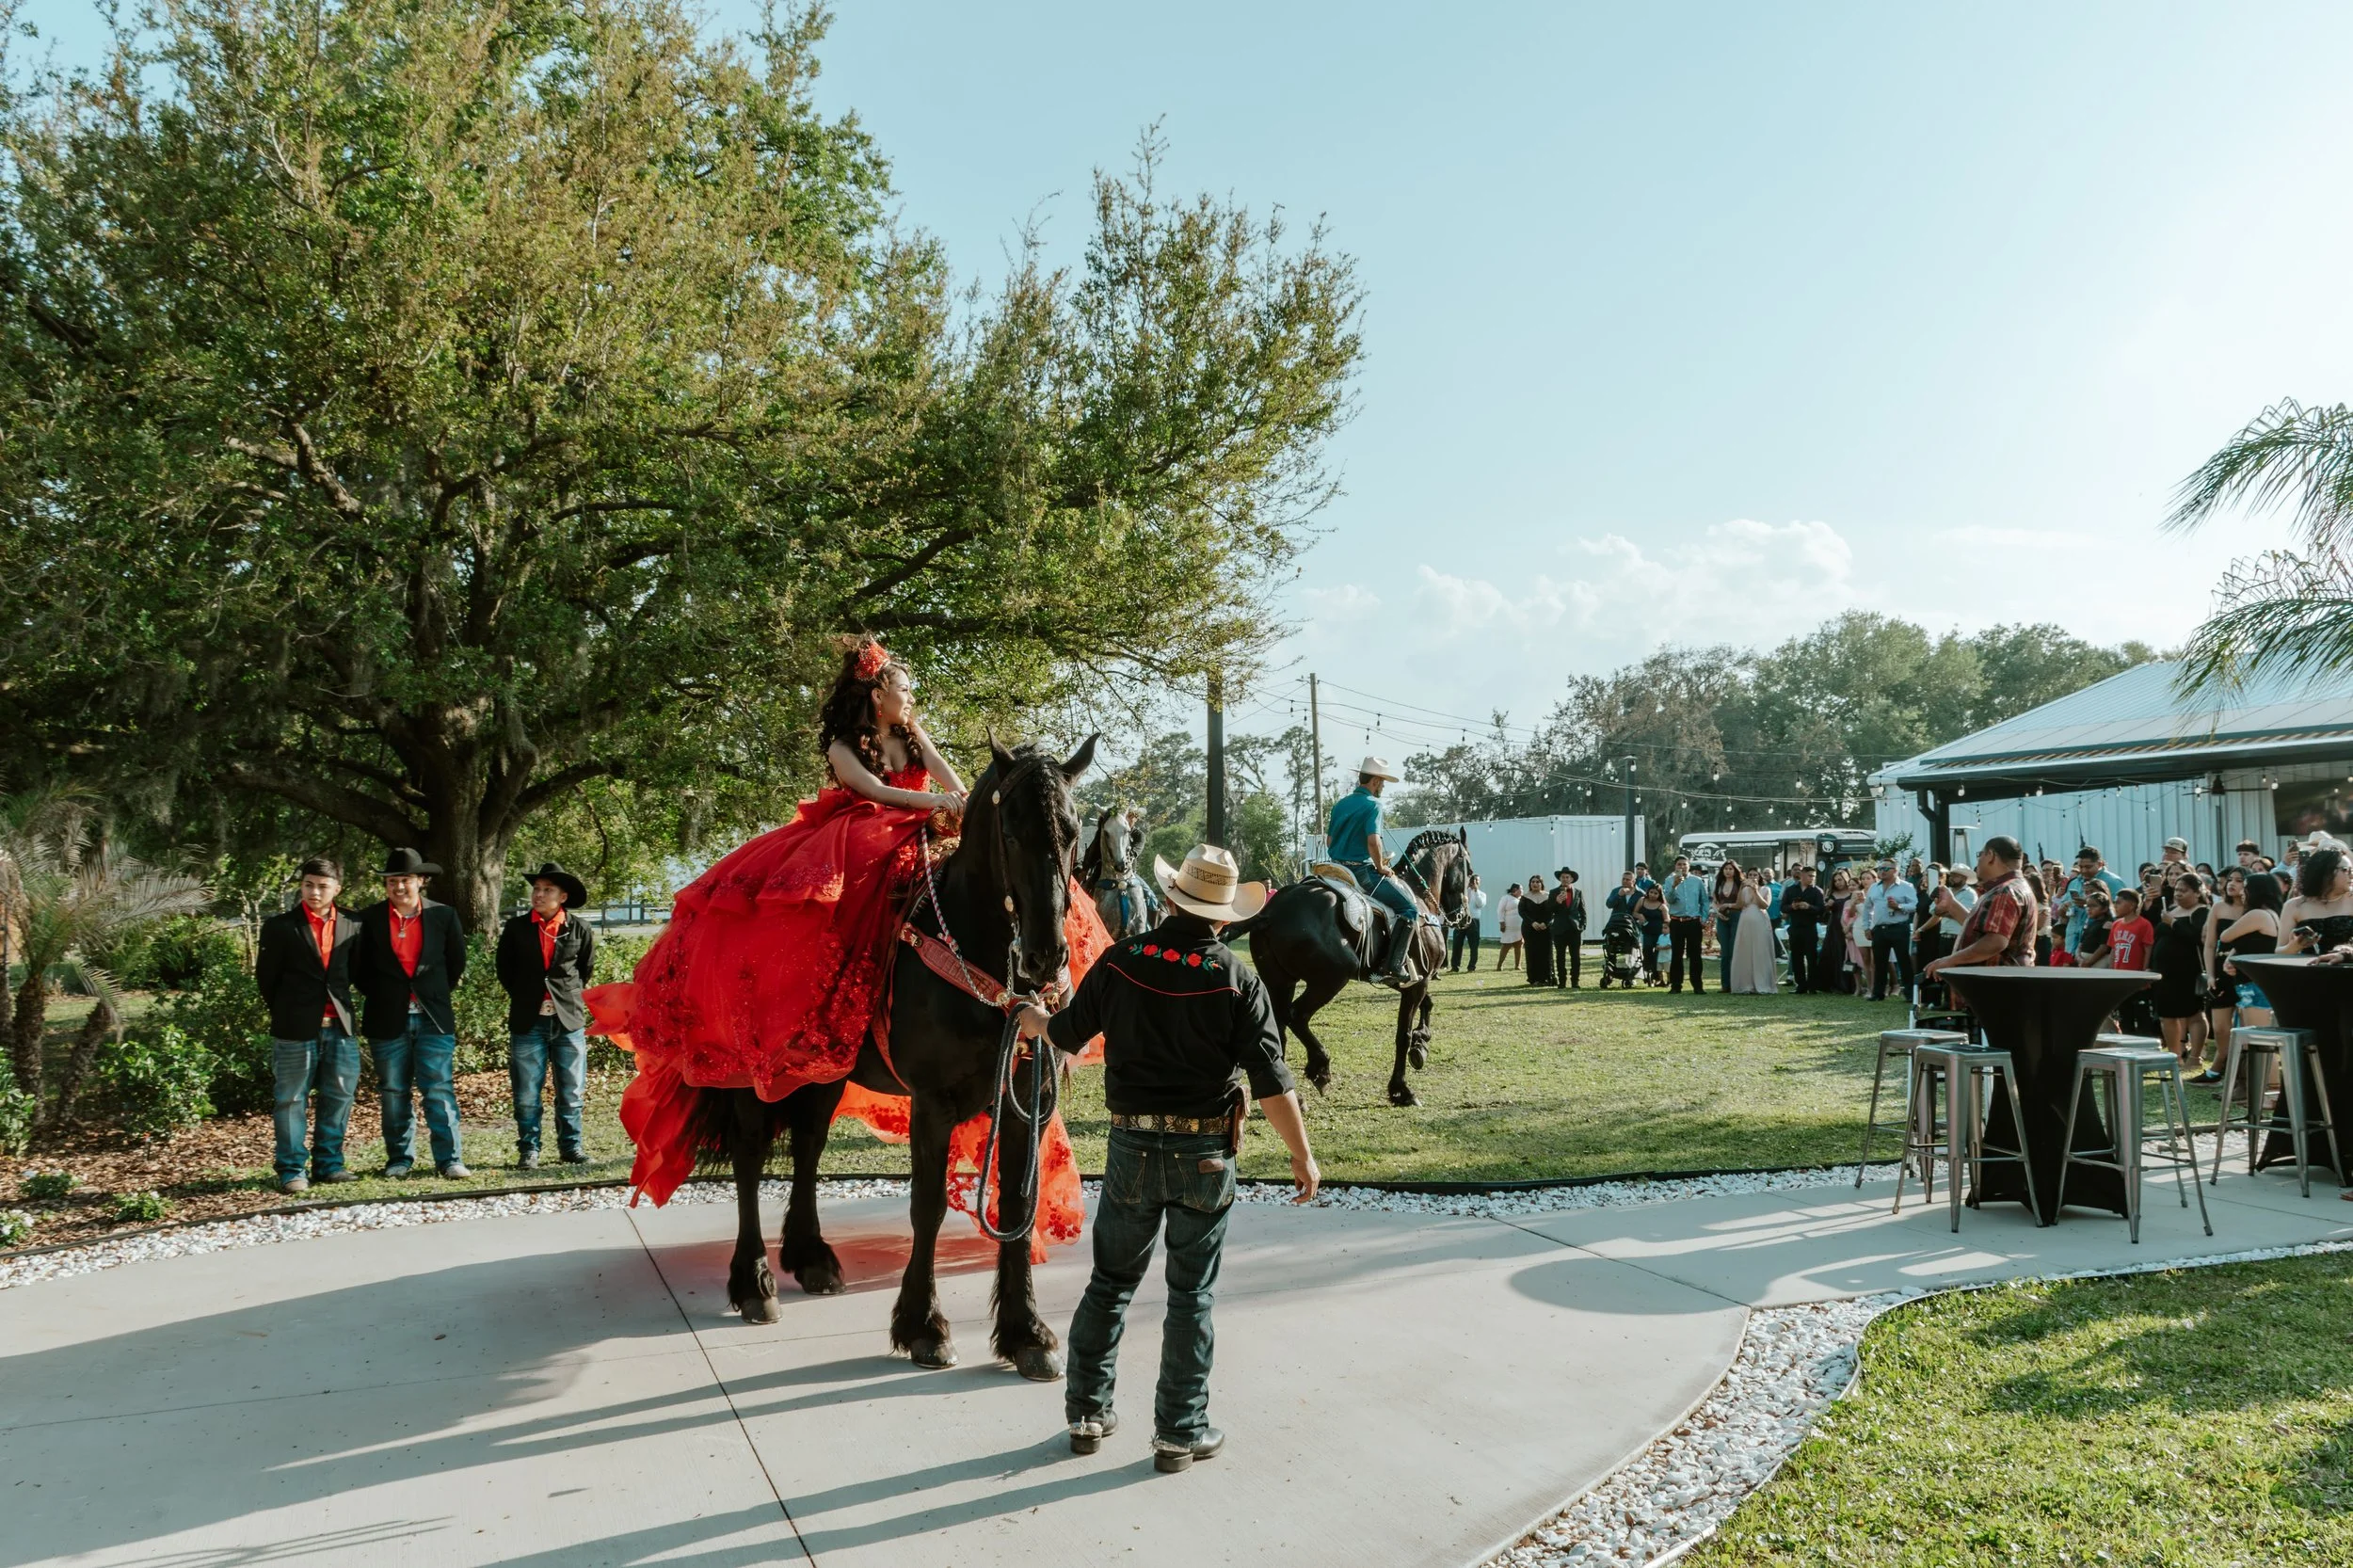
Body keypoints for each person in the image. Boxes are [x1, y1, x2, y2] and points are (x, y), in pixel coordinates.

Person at [1015, 843, 1320, 1474]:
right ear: (1223, 917)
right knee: (1191, 1295)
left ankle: (1087, 1414)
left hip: (1130, 1148)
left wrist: (1033, 1018)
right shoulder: (1237, 979)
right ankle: (1180, 1433)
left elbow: (1066, 1033)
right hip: (1204, 1155)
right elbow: (1272, 1083)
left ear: (1173, 899)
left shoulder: (1122, 960)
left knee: (1110, 1283)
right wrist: (1303, 1156)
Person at [355, 847, 472, 1179]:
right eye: (392, 881)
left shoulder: (443, 915)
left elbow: (455, 964)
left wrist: (429, 992)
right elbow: (359, 970)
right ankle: (399, 1159)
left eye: (405, 879)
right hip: (386, 1017)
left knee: (438, 1088)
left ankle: (449, 1160)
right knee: (394, 1091)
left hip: (433, 1016)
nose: (398, 887)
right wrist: (387, 995)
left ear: (421, 881)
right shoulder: (368, 919)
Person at [254, 856, 362, 1194]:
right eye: (308, 885)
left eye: (322, 886)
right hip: (294, 1027)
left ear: (337, 889)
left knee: (340, 1095)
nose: (314, 892)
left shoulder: (353, 924)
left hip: (340, 1026)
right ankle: (291, 1169)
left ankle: (330, 1165)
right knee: (291, 1099)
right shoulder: (281, 926)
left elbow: (358, 973)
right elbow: (267, 979)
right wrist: (290, 1011)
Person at [498, 861, 599, 1171]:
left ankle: (571, 1147)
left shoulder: (579, 928)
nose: (539, 895)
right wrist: (528, 996)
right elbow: (505, 970)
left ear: (562, 897)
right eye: (536, 889)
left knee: (572, 1091)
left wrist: (563, 997)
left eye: (547, 890)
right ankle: (529, 1149)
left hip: (568, 1022)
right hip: (528, 1022)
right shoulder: (516, 928)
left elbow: (584, 970)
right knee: (527, 1093)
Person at [1324, 757, 1420, 986]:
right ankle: (1394, 966)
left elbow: (1329, 841)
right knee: (1409, 909)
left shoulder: (1340, 804)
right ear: (1375, 781)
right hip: (1361, 871)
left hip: (1335, 869)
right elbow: (1373, 841)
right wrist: (1381, 867)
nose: (1383, 786)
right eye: (1382, 782)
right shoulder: (1374, 805)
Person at [1921, 836, 2040, 980]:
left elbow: (1995, 942)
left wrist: (1949, 960)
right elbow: (1983, 929)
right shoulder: (2016, 887)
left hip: (1994, 983)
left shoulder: (2005, 892)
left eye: (1980, 855)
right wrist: (1951, 904)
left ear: (1991, 856)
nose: (1978, 861)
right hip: (2006, 980)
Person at [2210, 869, 2283, 1087]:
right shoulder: (2272, 913)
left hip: (2253, 986)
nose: (2242, 892)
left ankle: (2270, 1091)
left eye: (2246, 888)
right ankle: (2258, 1090)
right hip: (2254, 983)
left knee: (2261, 1043)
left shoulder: (2256, 914)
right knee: (2257, 1042)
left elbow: (2225, 936)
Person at [2150, 872, 2211, 1068]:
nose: (2178, 894)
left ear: (2197, 893)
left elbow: (2197, 937)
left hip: (2187, 971)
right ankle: (2174, 1056)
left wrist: (2174, 923)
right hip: (2164, 972)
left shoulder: (2202, 911)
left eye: (2184, 891)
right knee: (2167, 1015)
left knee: (2194, 1014)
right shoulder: (2170, 910)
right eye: (2176, 890)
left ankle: (2195, 1057)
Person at [2281, 842, 2353, 954]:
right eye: (2345, 870)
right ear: (2325, 872)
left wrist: (2347, 952)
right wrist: (2294, 946)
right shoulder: (2294, 906)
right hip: (2307, 965)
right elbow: (2279, 951)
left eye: (2352, 870)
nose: (2351, 875)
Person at [2057, 846, 2126, 958]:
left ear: (2100, 864)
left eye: (2088, 867)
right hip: (2072, 945)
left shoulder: (2113, 882)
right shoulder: (2074, 882)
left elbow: (2121, 913)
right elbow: (2061, 913)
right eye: (2081, 867)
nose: (2084, 870)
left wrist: (2091, 904)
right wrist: (2063, 908)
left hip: (2097, 947)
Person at [1865, 861, 1918, 1001]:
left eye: (1886, 868)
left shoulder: (1906, 886)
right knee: (1879, 962)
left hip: (1899, 928)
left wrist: (1899, 906)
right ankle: (1878, 993)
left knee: (1904, 961)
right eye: (1880, 868)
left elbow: (1915, 905)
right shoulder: (1874, 887)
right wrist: (1867, 927)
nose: (1882, 871)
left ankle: (1909, 994)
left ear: (1895, 870)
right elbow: (1867, 908)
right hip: (1879, 929)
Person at [1780, 864, 1830, 993]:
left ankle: (1812, 986)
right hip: (1795, 928)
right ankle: (1801, 985)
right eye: (1810, 876)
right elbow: (1783, 907)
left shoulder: (1817, 891)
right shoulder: (1791, 889)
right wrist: (1792, 907)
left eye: (1814, 876)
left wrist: (1809, 907)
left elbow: (1821, 910)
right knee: (1796, 957)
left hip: (1810, 928)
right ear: (1802, 875)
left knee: (1811, 957)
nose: (1812, 878)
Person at [1664, 856, 1709, 993]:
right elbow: (1669, 900)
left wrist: (1703, 918)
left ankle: (1697, 986)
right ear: (1675, 866)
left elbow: (1704, 901)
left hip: (1693, 922)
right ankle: (1676, 985)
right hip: (1676, 922)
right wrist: (1674, 885)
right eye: (1679, 864)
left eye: (1684, 864)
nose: (1682, 867)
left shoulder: (1697, 881)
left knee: (1695, 954)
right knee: (1676, 954)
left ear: (1689, 866)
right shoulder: (1669, 880)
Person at [1728, 869, 1776, 994]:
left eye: (1755, 875)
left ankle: (1762, 983)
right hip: (1745, 921)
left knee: (1760, 950)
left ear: (1759, 877)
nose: (1753, 877)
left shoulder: (1766, 889)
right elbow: (1739, 905)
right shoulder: (1744, 890)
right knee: (1746, 950)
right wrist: (1741, 888)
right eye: (1750, 875)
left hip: (1760, 921)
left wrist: (1755, 890)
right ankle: (1746, 984)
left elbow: (1764, 905)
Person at [1712, 858, 1745, 992]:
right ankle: (1725, 985)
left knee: (1734, 950)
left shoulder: (1740, 884)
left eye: (1731, 869)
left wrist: (1728, 905)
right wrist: (1717, 912)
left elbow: (1742, 903)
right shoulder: (1719, 883)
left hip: (1736, 916)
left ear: (1735, 870)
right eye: (1726, 869)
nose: (1728, 871)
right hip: (1722, 918)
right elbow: (1715, 901)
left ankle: (1736, 983)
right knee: (1725, 952)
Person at [1554, 869, 1587, 988]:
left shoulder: (1578, 892)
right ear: (1560, 878)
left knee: (1575, 957)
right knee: (1560, 957)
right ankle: (1562, 982)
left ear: (1572, 879)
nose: (1565, 879)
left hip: (1574, 929)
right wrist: (1557, 902)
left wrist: (1582, 925)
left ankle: (1575, 981)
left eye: (1567, 877)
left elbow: (1582, 910)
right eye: (1563, 877)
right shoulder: (1554, 892)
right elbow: (1549, 910)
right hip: (1559, 929)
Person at [1449, 872, 1487, 972]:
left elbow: (1480, 904)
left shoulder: (1482, 894)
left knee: (1474, 945)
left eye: (1477, 881)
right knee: (1457, 944)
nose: (1475, 882)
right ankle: (1455, 966)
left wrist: (1476, 891)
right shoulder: (1463, 892)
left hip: (1473, 921)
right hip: (1461, 919)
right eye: (1473, 881)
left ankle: (1471, 966)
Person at [1518, 873, 1553, 986]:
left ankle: (1547, 978)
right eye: (1533, 882)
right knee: (1532, 952)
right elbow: (1522, 912)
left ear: (1541, 884)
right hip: (1529, 928)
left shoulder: (1548, 896)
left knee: (1546, 952)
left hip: (1545, 928)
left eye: (1537, 882)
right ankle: (1534, 978)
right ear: (1530, 884)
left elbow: (1552, 912)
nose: (1535, 884)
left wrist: (1545, 923)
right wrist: (1532, 922)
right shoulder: (1525, 897)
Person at [1637, 879, 1668, 984]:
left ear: (1659, 895)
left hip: (1659, 934)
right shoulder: (1642, 900)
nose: (1653, 895)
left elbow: (1667, 920)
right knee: (1647, 950)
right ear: (1648, 892)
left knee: (1657, 955)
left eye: (1655, 893)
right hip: (1646, 932)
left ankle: (1658, 977)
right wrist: (1640, 916)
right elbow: (1634, 912)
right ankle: (1647, 971)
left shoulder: (1662, 906)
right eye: (1651, 892)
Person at [1496, 883, 1524, 971]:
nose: (1522, 891)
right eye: (1521, 889)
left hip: (1519, 927)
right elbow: (1500, 911)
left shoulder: (1522, 899)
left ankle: (1518, 965)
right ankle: (1500, 965)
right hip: (1508, 926)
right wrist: (1501, 923)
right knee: (1506, 945)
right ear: (1515, 890)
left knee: (1519, 944)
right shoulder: (1506, 898)